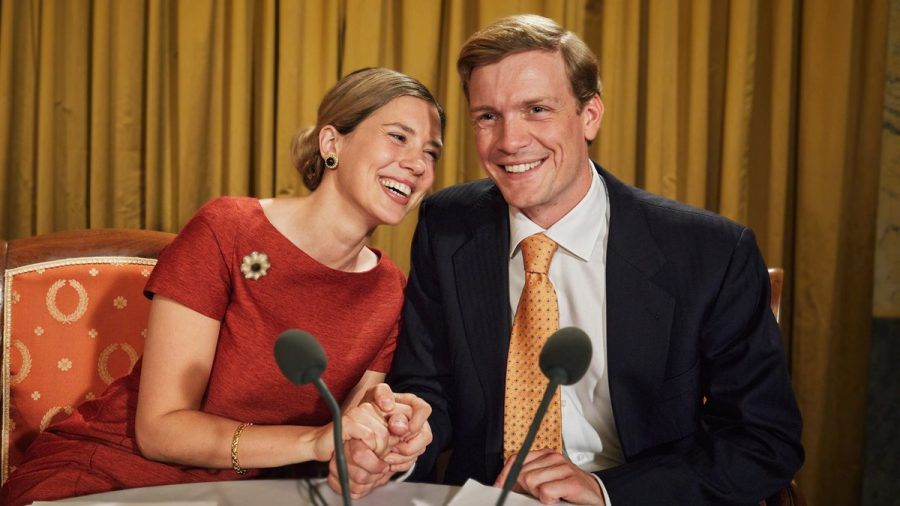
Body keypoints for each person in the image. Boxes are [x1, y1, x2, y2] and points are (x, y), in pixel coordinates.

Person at [339, 15, 804, 505]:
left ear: (590, 116)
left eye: (536, 109)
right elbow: (428, 383)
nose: (509, 141)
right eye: (487, 116)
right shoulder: (448, 225)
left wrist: (604, 491)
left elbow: (763, 440)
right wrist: (403, 433)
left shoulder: (709, 253)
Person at [1, 67, 442, 506]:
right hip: (110, 473)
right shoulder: (228, 229)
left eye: (431, 152)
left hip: (248, 495)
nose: (418, 164)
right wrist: (313, 441)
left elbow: (345, 447)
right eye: (398, 137)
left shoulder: (389, 291)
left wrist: (386, 441)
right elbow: (160, 429)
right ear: (332, 143)